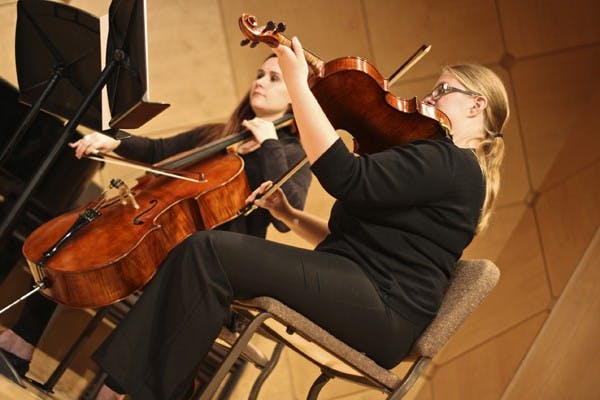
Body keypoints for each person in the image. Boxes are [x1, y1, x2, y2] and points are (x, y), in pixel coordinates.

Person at [91, 36, 509, 400]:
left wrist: (297, 81)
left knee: (208, 253)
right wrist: (288, 214)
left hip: (384, 308)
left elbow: (345, 176)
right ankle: (157, 390)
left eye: (441, 91)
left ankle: (134, 390)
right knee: (204, 256)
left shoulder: (453, 162)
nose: (427, 99)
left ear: (476, 105)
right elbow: (357, 242)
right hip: (364, 289)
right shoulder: (440, 161)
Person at [0, 54, 311, 384]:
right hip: (162, 232)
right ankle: (20, 345)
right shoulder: (221, 134)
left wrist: (270, 143)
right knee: (77, 239)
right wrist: (116, 139)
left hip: (208, 261)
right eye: (260, 73)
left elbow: (285, 214)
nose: (260, 81)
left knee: (168, 287)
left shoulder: (292, 156)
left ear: (295, 97)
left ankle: (110, 391)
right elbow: (157, 150)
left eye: (275, 78)